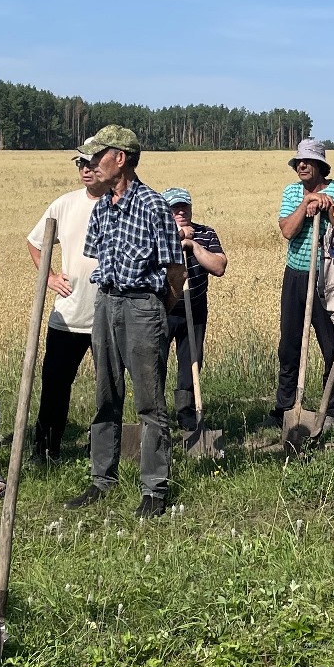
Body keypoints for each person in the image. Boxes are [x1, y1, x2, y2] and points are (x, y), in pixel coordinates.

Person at [64, 125, 184, 519]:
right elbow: (98, 259)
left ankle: (154, 488)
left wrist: (154, 311)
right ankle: (102, 479)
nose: (91, 164)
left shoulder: (153, 206)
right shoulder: (103, 208)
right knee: (105, 396)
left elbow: (175, 272)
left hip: (142, 306)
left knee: (150, 402)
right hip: (106, 303)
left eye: (98, 156)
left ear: (121, 158)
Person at [25, 147, 108, 461]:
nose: (85, 169)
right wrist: (49, 278)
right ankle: (46, 450)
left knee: (108, 391)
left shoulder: (121, 205)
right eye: (80, 164)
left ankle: (101, 451)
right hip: (68, 318)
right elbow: (35, 243)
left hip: (108, 317)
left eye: (91, 163)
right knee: (55, 388)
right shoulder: (64, 204)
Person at [274, 139, 334, 432]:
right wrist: (306, 204)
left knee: (331, 348)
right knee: (289, 346)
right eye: (299, 161)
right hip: (297, 275)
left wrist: (331, 208)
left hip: (329, 277)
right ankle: (286, 408)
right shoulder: (291, 192)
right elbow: (287, 230)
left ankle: (329, 412)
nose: (302, 165)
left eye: (308, 161)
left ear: (321, 166)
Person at [162, 187, 226, 432]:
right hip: (164, 309)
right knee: (156, 362)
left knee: (191, 362)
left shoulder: (206, 233)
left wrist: (193, 245)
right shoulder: (158, 234)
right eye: (175, 208)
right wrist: (177, 237)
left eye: (184, 207)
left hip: (195, 308)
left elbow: (219, 266)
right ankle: (157, 414)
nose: (180, 211)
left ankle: (187, 412)